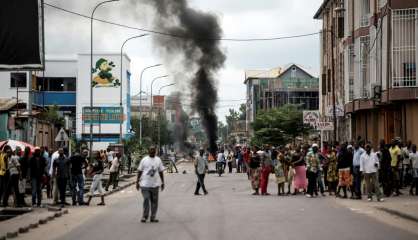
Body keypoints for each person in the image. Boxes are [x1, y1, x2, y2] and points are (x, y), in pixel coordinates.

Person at [136, 146, 165, 223]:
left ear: (155, 151)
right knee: (146, 199)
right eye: (151, 150)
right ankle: (144, 216)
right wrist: (137, 182)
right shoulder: (144, 160)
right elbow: (139, 171)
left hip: (155, 184)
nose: (152, 151)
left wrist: (162, 182)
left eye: (153, 150)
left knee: (154, 201)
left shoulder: (158, 160)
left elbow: (161, 171)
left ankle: (153, 217)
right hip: (144, 184)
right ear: (148, 151)